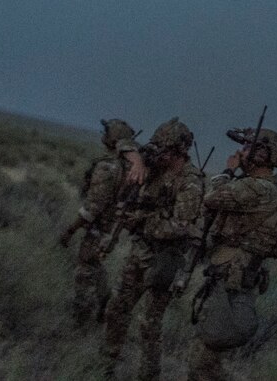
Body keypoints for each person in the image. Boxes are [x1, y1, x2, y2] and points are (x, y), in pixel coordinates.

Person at [187, 127, 277, 381]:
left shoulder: (259, 188)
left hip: (230, 277)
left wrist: (228, 171)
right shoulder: (263, 188)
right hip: (233, 274)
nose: (240, 152)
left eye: (247, 148)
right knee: (208, 355)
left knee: (204, 355)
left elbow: (212, 197)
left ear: (261, 155)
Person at [101, 117, 205, 381]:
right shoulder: (154, 166)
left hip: (164, 259)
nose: (158, 154)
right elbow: (121, 142)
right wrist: (135, 158)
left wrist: (143, 221)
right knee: (117, 308)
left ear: (178, 152)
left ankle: (148, 375)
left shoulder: (190, 182)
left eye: (164, 150)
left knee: (149, 325)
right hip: (141, 251)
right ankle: (105, 366)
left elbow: (181, 225)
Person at [59, 118, 148, 325]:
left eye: (107, 132)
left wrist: (70, 231)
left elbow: (92, 209)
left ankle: (81, 320)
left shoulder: (108, 167)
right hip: (112, 229)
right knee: (95, 265)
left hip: (99, 228)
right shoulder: (130, 168)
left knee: (84, 270)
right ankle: (104, 301)